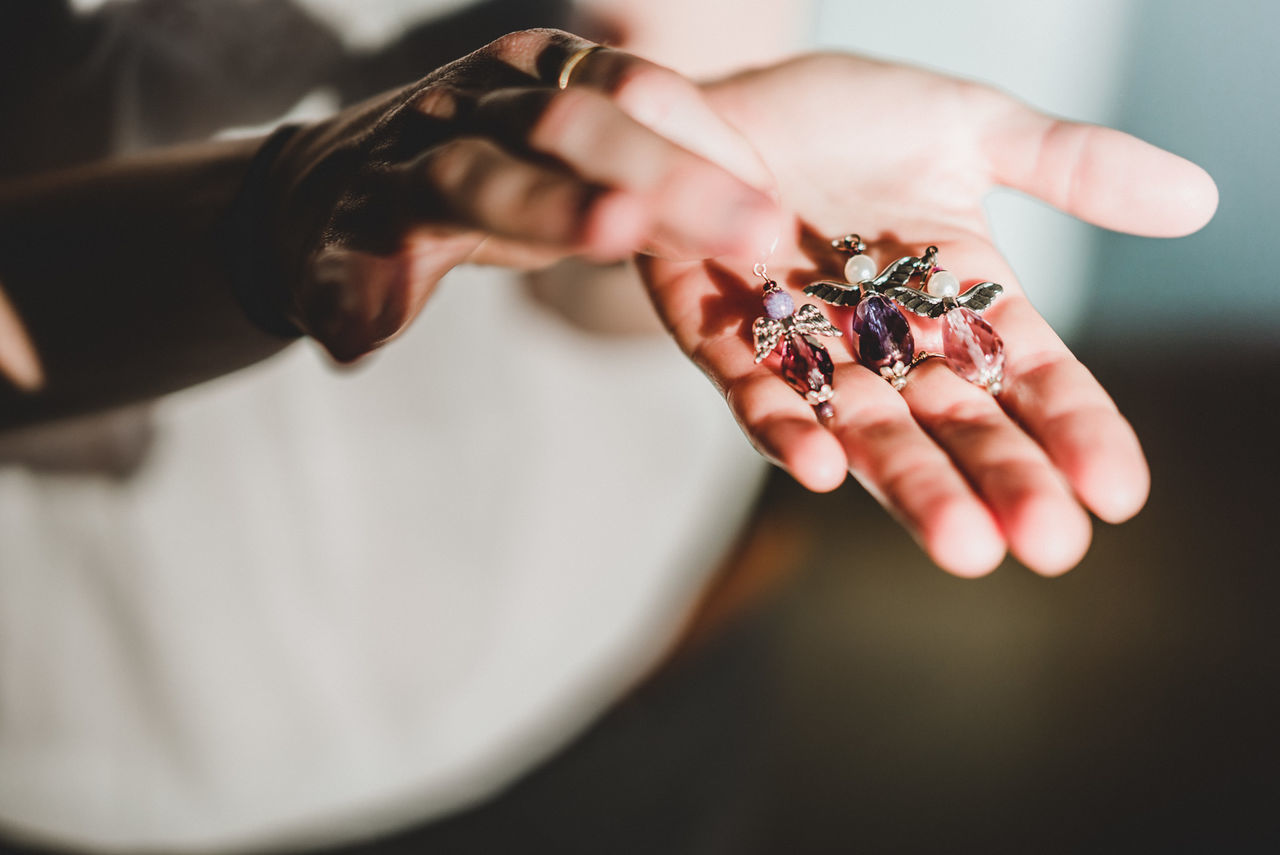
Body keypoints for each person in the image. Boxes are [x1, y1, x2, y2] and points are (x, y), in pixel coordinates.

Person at [0, 0, 1216, 851]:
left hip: (588, 650)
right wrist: (266, 224)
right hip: (76, 742)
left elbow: (611, 263)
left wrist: (686, 188)